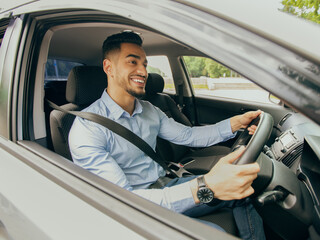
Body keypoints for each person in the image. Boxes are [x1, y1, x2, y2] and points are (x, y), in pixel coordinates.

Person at [69, 31, 265, 239]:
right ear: (109, 67)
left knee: (242, 189)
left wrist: (234, 124)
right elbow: (125, 201)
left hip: (166, 184)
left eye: (144, 64)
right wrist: (203, 187)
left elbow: (189, 136)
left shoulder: (149, 110)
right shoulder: (88, 128)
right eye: (132, 62)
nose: (143, 71)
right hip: (138, 207)